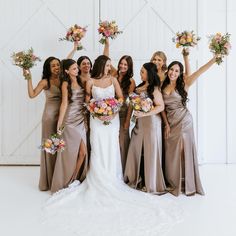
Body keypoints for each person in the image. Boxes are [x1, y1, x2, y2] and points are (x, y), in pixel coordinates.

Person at [43, 55, 181, 236]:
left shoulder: (113, 79)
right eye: (108, 65)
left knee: (111, 149)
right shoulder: (90, 81)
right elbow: (86, 101)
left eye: (110, 65)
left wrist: (111, 110)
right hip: (96, 120)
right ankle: (97, 177)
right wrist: (98, 111)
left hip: (112, 120)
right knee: (98, 149)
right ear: (102, 65)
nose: (110, 67)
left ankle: (112, 177)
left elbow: (121, 98)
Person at [161, 55, 217, 196]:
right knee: (170, 151)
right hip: (170, 122)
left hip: (184, 121)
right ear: (168, 70)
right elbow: (161, 107)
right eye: (171, 69)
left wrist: (214, 59)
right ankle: (172, 181)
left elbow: (200, 71)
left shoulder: (184, 83)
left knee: (181, 150)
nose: (173, 73)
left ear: (180, 73)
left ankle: (185, 182)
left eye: (177, 71)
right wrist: (166, 124)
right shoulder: (162, 83)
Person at [124, 62, 166, 194]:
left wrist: (145, 113)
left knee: (150, 152)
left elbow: (161, 106)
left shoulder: (155, 88)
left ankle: (151, 183)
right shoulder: (138, 87)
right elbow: (132, 104)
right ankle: (134, 179)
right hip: (140, 124)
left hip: (152, 124)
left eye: (142, 71)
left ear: (149, 73)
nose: (140, 73)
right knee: (135, 148)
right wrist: (127, 121)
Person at [24, 57, 61, 191]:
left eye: (58, 64)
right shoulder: (45, 81)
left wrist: (74, 47)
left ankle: (60, 178)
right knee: (50, 147)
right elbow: (32, 94)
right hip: (50, 117)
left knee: (62, 147)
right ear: (48, 69)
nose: (56, 67)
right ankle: (48, 181)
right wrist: (29, 77)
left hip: (62, 117)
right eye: (53, 66)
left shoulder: (64, 78)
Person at [50, 59, 88, 193]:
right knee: (69, 153)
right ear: (66, 71)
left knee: (83, 153)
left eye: (77, 68)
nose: (77, 70)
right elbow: (64, 104)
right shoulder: (65, 84)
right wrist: (59, 124)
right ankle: (67, 180)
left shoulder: (82, 81)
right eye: (74, 69)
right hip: (70, 120)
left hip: (81, 120)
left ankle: (74, 178)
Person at [103, 38, 136, 172]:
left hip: (123, 114)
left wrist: (128, 120)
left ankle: (124, 170)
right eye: (121, 63)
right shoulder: (113, 73)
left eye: (125, 65)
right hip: (110, 112)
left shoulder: (131, 81)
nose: (122, 66)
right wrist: (107, 43)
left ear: (129, 67)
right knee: (111, 141)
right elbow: (105, 58)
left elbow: (131, 103)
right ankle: (112, 169)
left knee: (123, 140)